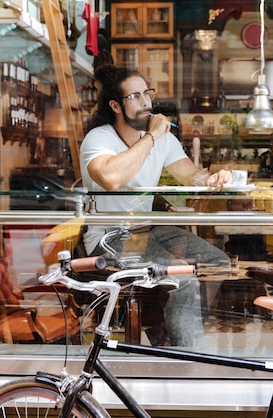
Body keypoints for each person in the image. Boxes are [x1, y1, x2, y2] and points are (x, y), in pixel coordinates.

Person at [79, 65, 232, 347]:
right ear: (115, 105)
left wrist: (213, 178)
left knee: (217, 262)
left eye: (146, 94)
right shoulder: (99, 139)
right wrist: (151, 137)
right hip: (109, 237)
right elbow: (111, 178)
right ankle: (189, 353)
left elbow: (190, 175)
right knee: (184, 279)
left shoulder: (163, 140)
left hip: (145, 230)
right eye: (134, 96)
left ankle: (167, 327)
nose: (146, 102)